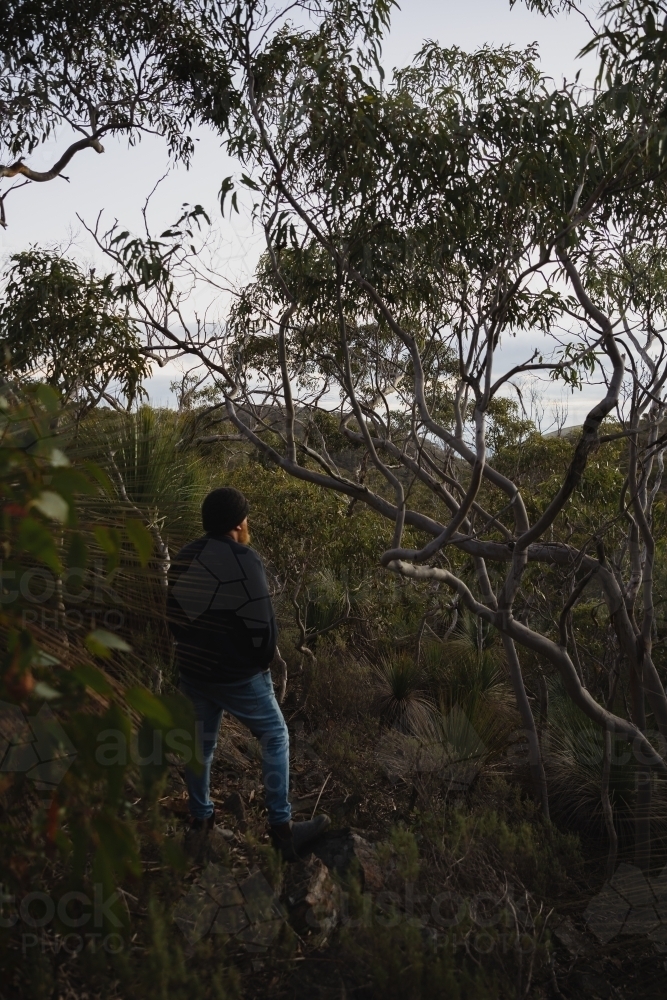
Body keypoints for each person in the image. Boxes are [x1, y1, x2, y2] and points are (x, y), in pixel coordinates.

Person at [167, 486, 329, 860]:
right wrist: (256, 664)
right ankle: (281, 829)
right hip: (238, 674)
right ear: (238, 524)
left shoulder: (185, 556)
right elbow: (263, 629)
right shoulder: (245, 558)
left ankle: (200, 822)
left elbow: (172, 616)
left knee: (200, 746)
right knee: (275, 736)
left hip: (193, 672)